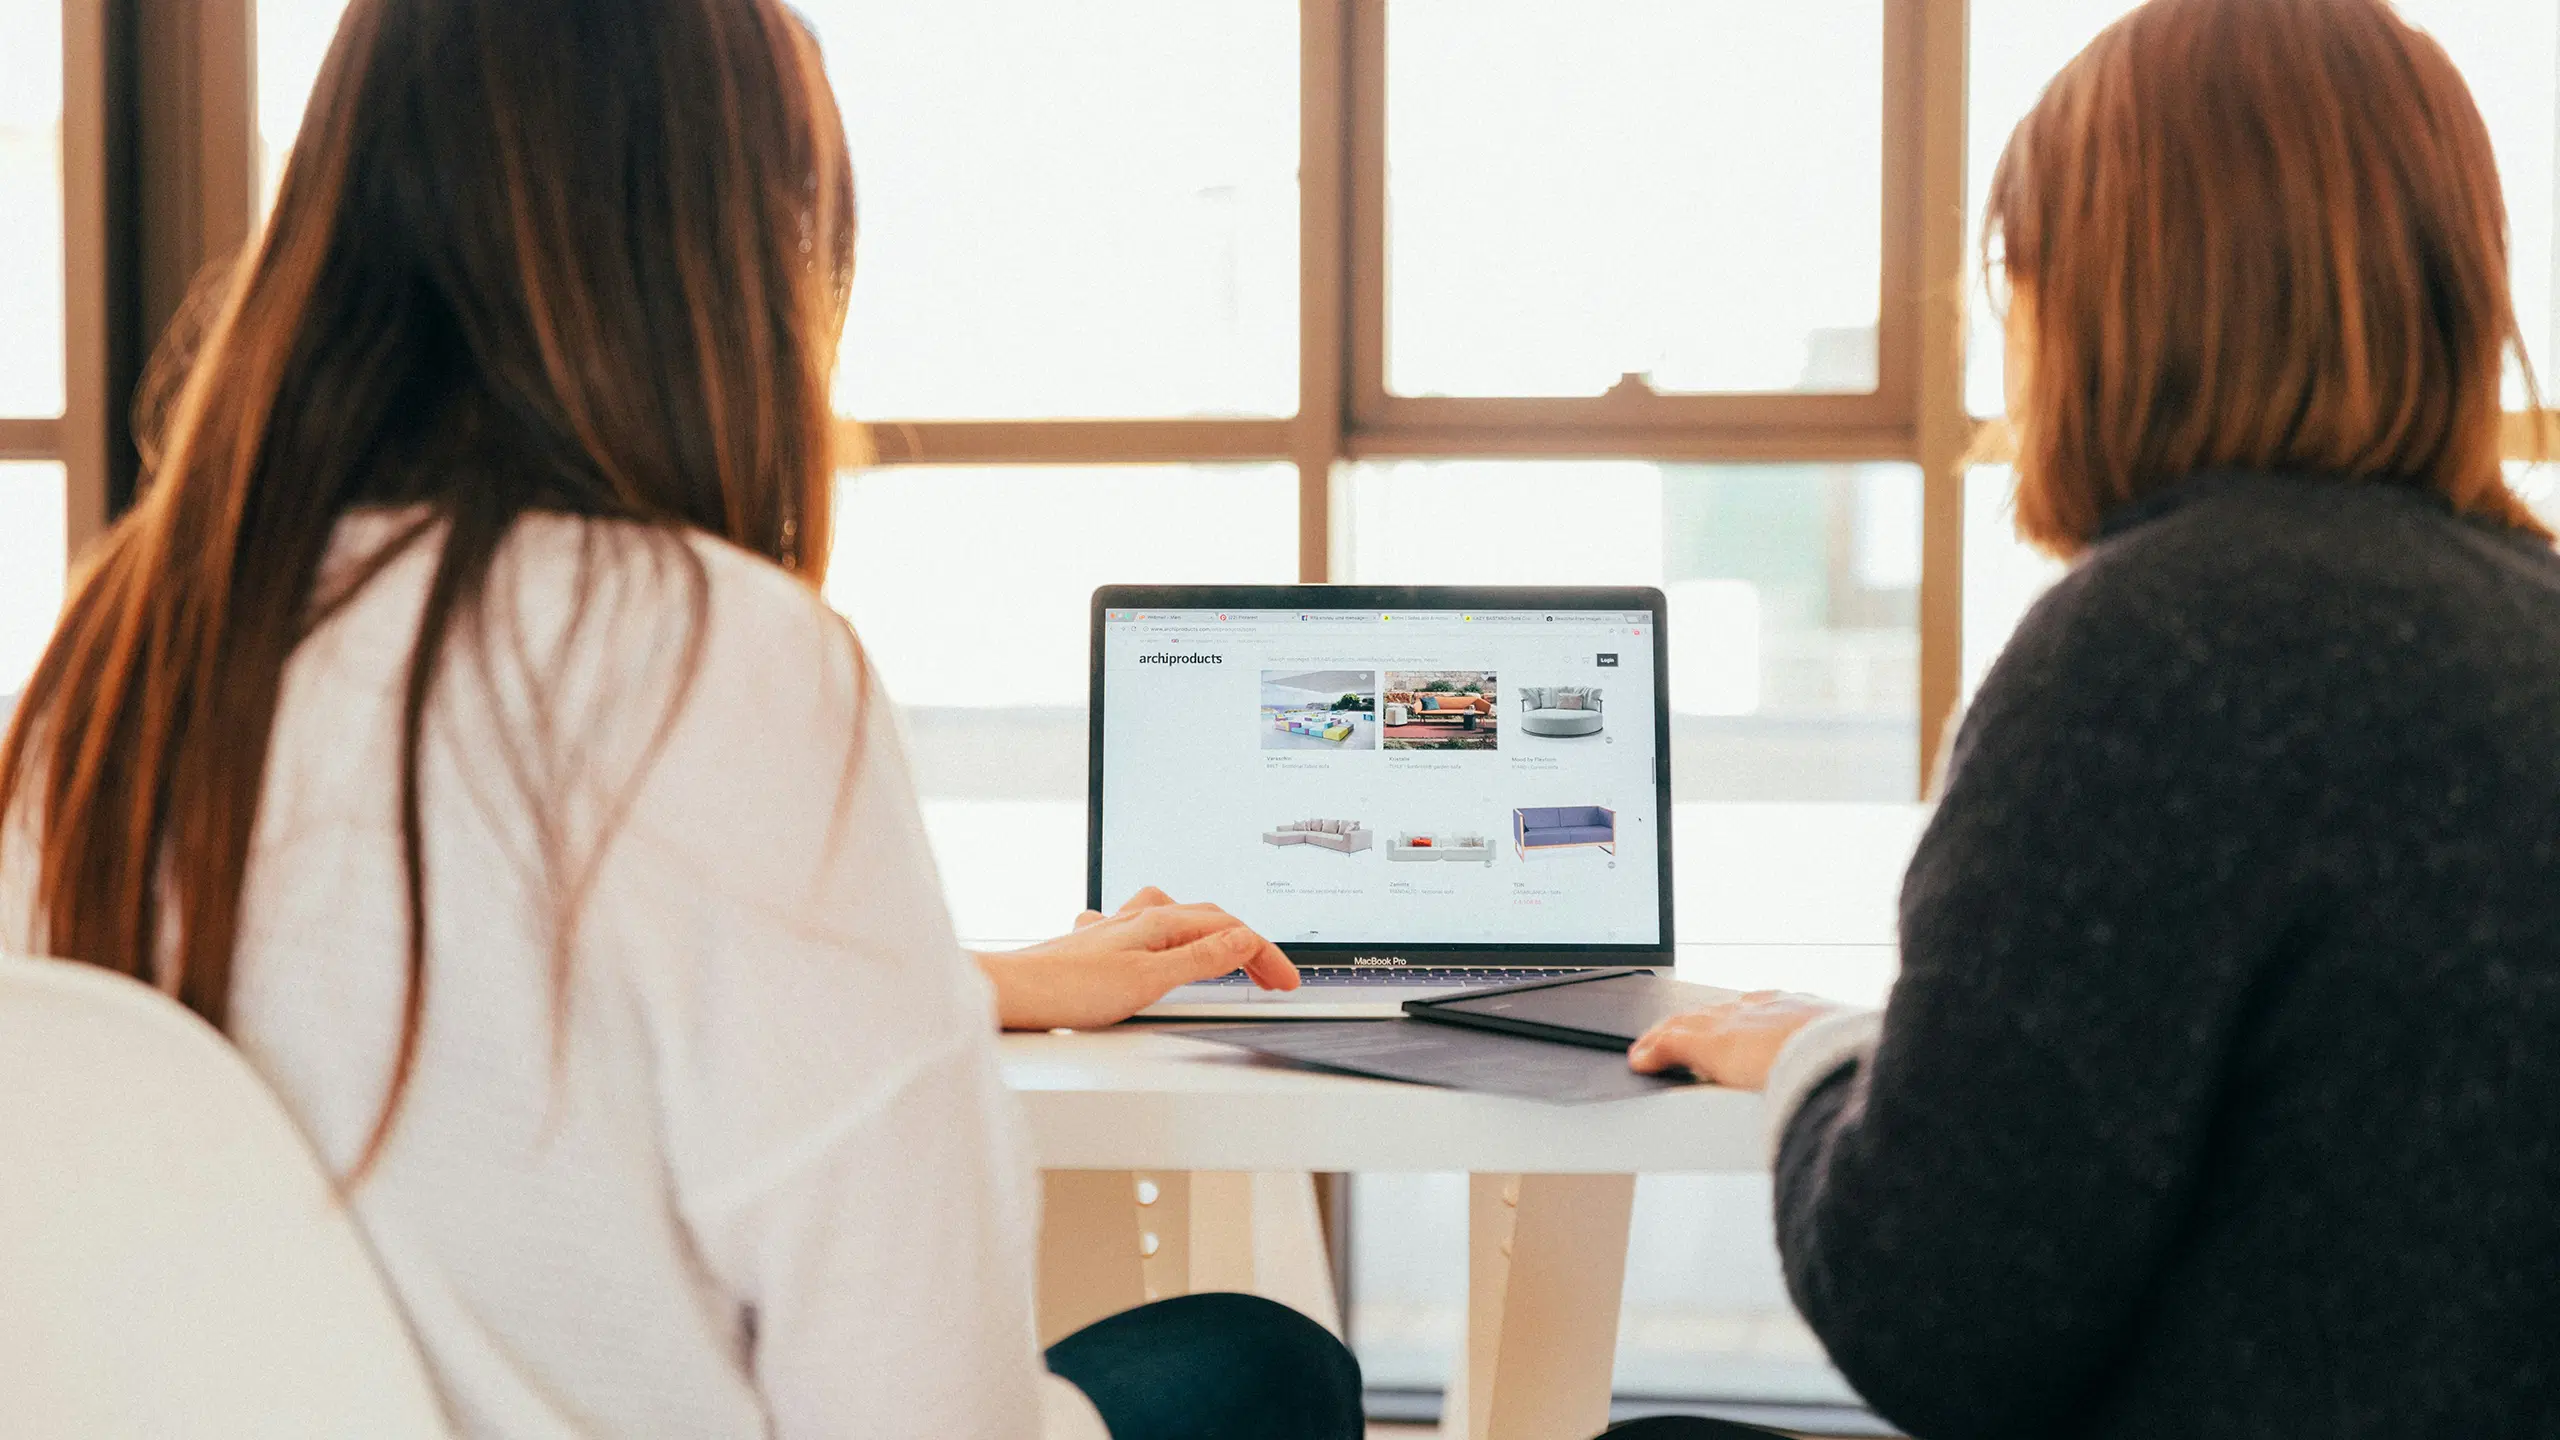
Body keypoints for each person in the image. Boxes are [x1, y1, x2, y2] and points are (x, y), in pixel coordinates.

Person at [0, 2, 1360, 1437]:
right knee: (1263, 1364)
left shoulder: (114, 664)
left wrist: (955, 982)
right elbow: (917, 1405)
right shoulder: (712, 652)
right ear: (728, 259)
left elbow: (445, 999)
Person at [1613, 0, 2560, 1436]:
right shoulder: (2531, 612)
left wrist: (1819, 1060)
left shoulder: (2158, 642)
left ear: (2103, 291)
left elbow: (1934, 1318)